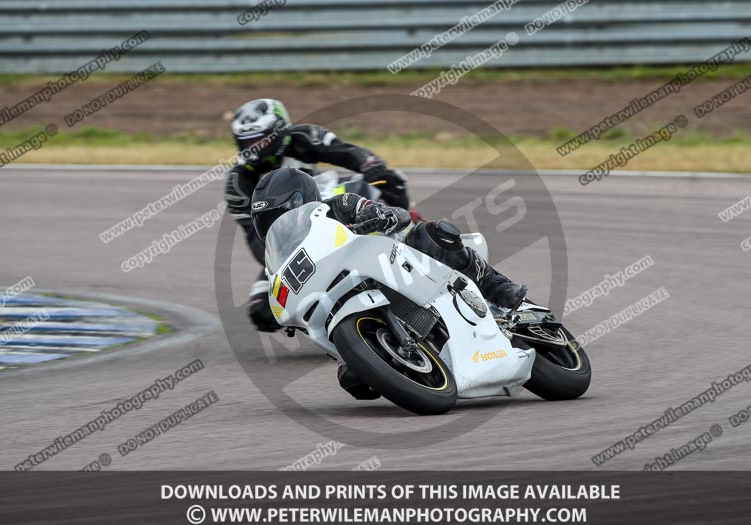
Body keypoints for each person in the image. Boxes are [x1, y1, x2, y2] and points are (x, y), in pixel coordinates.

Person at [251, 168, 527, 399]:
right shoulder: (277, 263)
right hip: (353, 296)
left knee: (433, 233)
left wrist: (385, 215)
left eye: (279, 212)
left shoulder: (338, 206)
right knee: (352, 378)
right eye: (265, 219)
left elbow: (380, 209)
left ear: (301, 200)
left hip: (401, 262)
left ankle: (495, 283)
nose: (275, 222)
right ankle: (389, 357)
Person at [223, 98, 411, 330]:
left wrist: (368, 163)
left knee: (390, 182)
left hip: (324, 203)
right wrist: (281, 260)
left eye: (260, 140)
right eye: (247, 141)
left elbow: (344, 152)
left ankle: (409, 236)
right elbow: (255, 237)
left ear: (279, 130)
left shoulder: (303, 137)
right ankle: (337, 323)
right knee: (262, 312)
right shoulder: (238, 185)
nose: (254, 147)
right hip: (289, 241)